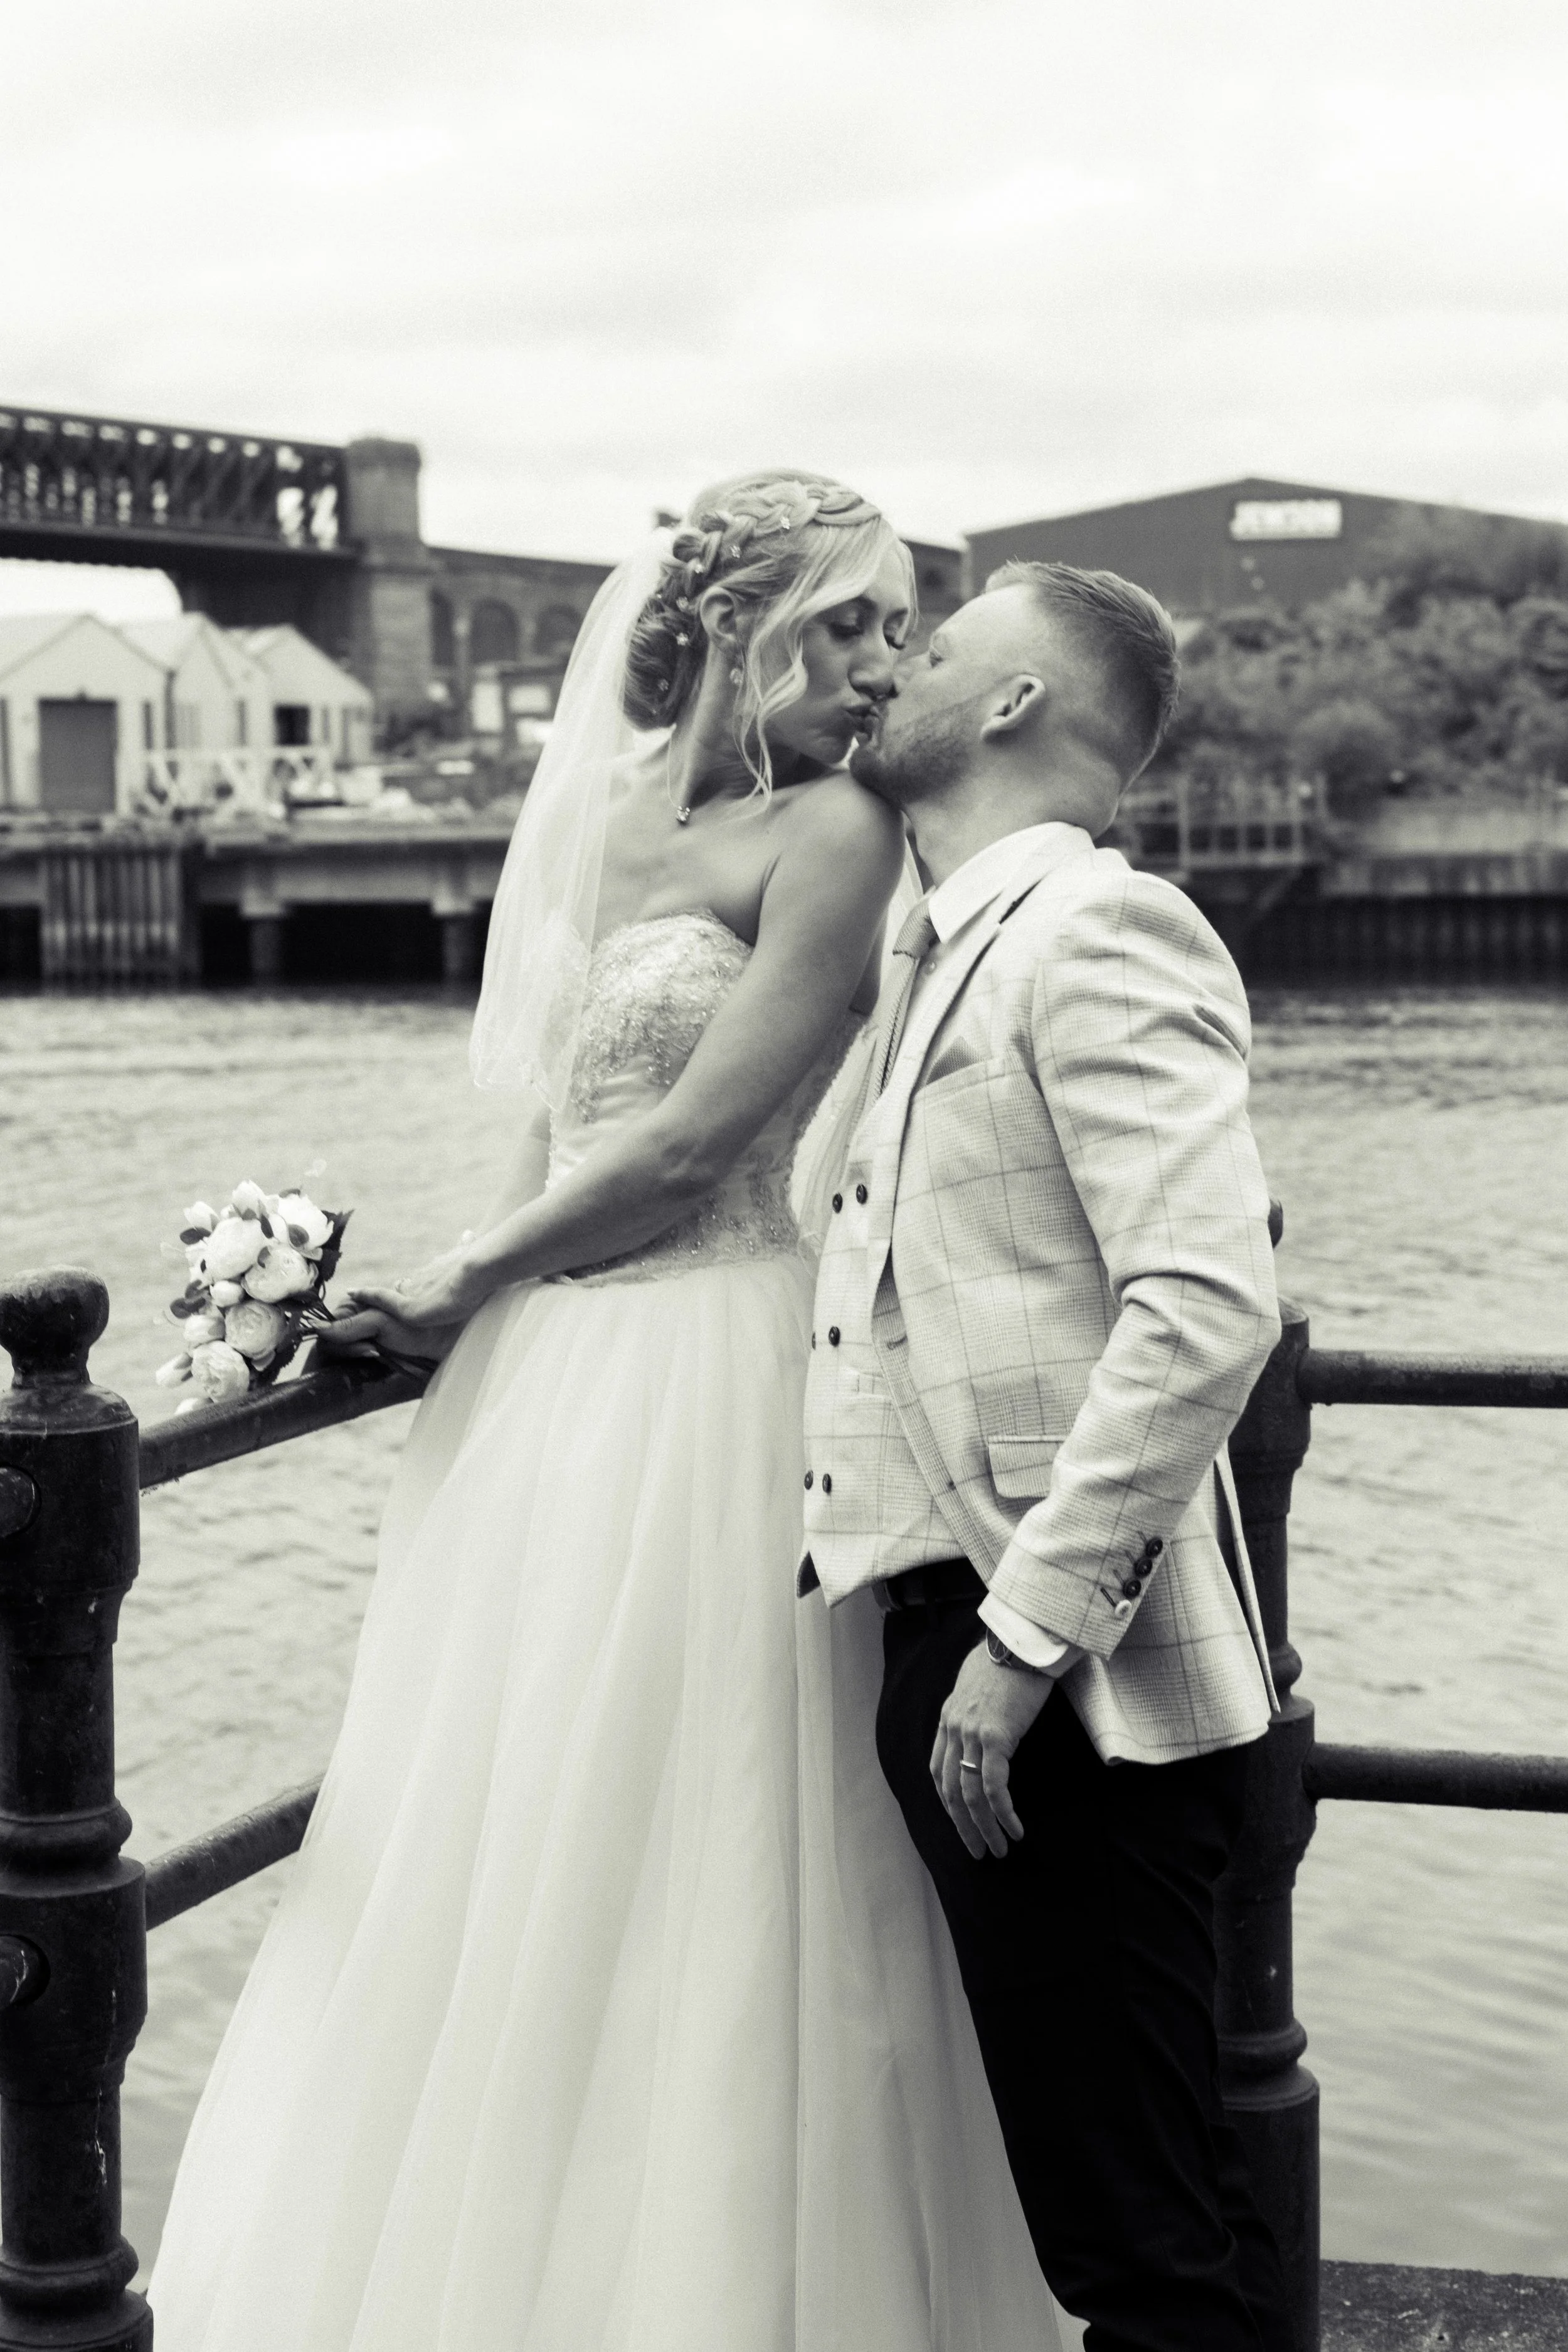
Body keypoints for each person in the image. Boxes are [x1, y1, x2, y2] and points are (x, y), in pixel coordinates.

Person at [148, 474, 1062, 2351]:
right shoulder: (605, 828)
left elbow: (702, 1134)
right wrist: (404, 1303)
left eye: (901, 628)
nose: (885, 665)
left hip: (717, 1377)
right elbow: (558, 1113)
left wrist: (471, 1275)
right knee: (502, 1823)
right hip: (548, 1392)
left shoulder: (838, 830)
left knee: (725, 1839)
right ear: (741, 629)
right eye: (853, 623)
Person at [799, 556, 1296, 2352]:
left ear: (1010, 704)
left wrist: (1022, 1640)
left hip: (1054, 1679)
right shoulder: (945, 941)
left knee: (1141, 2254)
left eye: (926, 651)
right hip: (959, 1634)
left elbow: (1205, 1298)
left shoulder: (1098, 926)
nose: (885, 677)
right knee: (1139, 2207)